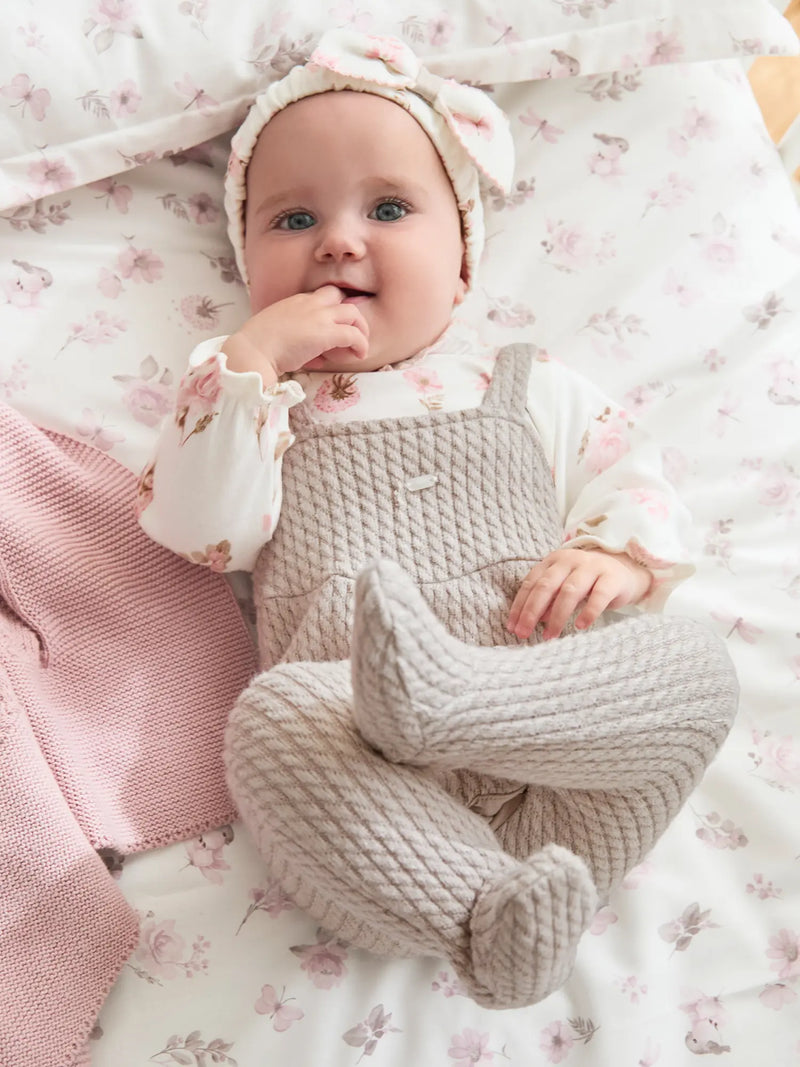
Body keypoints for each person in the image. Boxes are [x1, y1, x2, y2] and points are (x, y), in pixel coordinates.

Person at [137, 29, 738, 1009]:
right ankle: (489, 927)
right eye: (291, 218)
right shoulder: (260, 405)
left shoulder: (524, 382)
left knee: (695, 667)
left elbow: (631, 478)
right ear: (244, 263)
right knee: (265, 721)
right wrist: (246, 367)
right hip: (388, 824)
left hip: (557, 775)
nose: (337, 240)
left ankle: (448, 699)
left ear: (461, 261)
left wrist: (617, 558)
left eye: (386, 208)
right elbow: (198, 526)